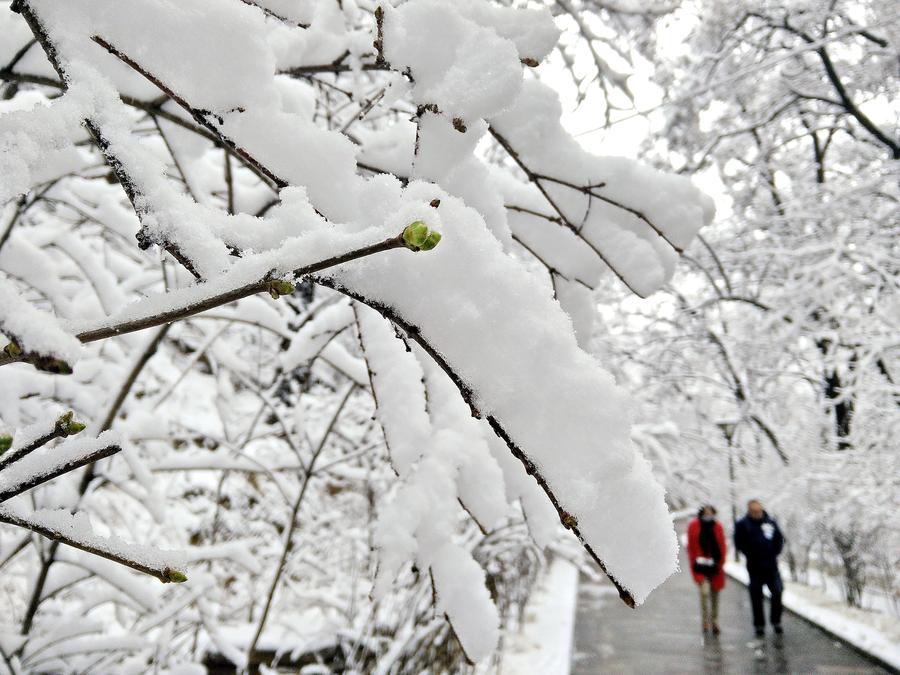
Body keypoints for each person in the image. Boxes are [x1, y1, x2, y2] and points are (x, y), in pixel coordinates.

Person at [734, 499, 785, 637]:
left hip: (771, 566)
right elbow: (739, 543)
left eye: (759, 511)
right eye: (754, 511)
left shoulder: (770, 522)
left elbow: (779, 539)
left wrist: (773, 552)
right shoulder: (743, 525)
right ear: (750, 511)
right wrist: (751, 554)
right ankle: (759, 625)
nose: (757, 513)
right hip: (754, 567)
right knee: (756, 597)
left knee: (778, 592)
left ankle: (776, 621)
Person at [687, 504, 727, 634]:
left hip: (715, 567)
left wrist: (720, 563)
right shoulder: (694, 526)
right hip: (700, 566)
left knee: (715, 595)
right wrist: (694, 562)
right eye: (706, 513)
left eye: (711, 513)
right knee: (704, 594)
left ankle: (715, 621)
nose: (708, 515)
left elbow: (722, 546)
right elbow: (691, 547)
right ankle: (705, 621)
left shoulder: (718, 526)